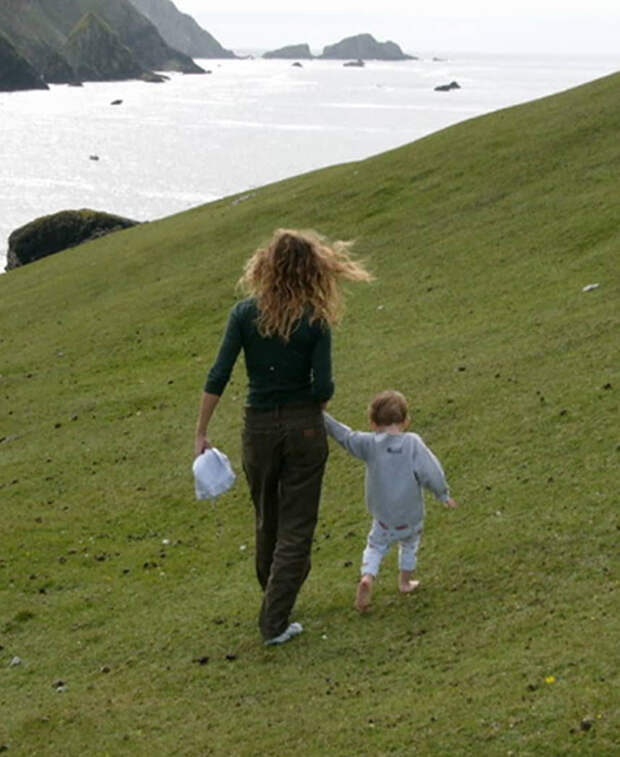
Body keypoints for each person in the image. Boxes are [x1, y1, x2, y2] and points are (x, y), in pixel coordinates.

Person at [194, 228, 372, 645]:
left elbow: (218, 374)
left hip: (257, 427)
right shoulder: (316, 318)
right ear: (312, 269)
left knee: (266, 516)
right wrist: (313, 407)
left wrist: (201, 431)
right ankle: (274, 620)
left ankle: (274, 600)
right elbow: (323, 384)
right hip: (305, 425)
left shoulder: (243, 314)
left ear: (265, 265)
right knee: (297, 524)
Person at [323, 390, 458, 612]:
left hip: (383, 519)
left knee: (375, 546)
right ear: (406, 421)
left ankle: (368, 576)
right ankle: (405, 582)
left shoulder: (370, 444)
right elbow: (430, 471)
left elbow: (344, 435)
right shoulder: (413, 443)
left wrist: (322, 417)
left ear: (373, 423)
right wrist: (442, 494)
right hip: (410, 517)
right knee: (409, 544)